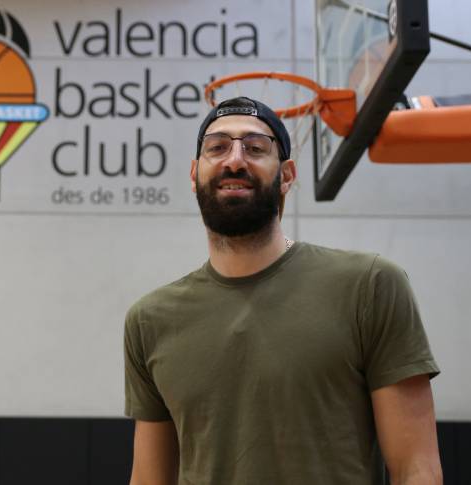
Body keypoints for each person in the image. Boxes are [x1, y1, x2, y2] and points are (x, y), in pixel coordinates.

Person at [123, 96, 442, 485]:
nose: (235, 160)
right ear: (194, 174)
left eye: (256, 148)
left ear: (287, 175)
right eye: (217, 147)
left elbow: (417, 470)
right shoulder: (151, 320)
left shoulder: (369, 285)